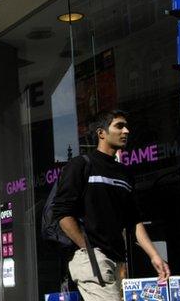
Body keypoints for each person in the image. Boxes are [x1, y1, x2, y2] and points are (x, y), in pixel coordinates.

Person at [53, 110, 170, 301]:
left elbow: (133, 220)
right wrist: (89, 251)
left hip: (116, 261)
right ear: (101, 133)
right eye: (119, 126)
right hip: (92, 258)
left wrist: (154, 256)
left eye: (126, 126)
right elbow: (62, 215)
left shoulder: (124, 174)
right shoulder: (81, 166)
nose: (126, 131)